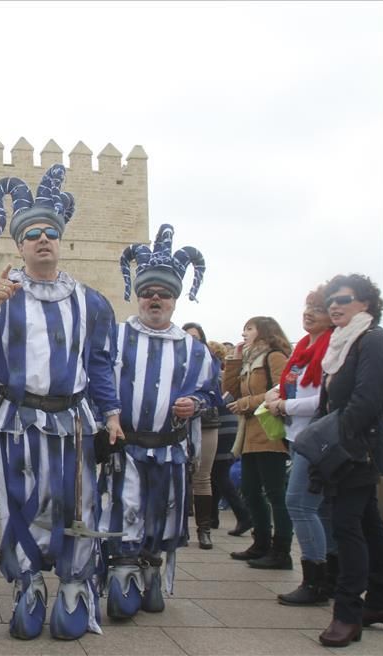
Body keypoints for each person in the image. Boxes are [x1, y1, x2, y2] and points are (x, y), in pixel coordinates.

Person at [0, 165, 123, 641]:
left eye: (50, 233)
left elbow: (100, 364)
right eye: (32, 234)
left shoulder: (91, 303)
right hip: (18, 418)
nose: (43, 239)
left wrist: (110, 414)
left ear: (61, 241)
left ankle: (73, 586)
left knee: (78, 501)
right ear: (20, 245)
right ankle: (28, 585)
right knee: (20, 502)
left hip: (73, 418)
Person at [100, 225, 220, 620]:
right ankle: (122, 575)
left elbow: (212, 393)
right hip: (128, 446)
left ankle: (152, 572)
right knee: (125, 507)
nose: (155, 299)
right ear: (138, 296)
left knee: (163, 511)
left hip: (169, 448)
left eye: (164, 294)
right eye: (148, 292)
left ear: (174, 299)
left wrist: (196, 404)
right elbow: (96, 382)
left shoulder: (196, 350)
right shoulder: (115, 338)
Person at [313, 274, 383, 647]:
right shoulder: (341, 343)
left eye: (343, 299)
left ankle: (346, 613)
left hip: (355, 452)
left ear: (366, 303)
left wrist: (332, 445)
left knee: (346, 527)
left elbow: (368, 400)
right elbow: (331, 402)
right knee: (370, 524)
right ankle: (379, 599)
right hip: (347, 448)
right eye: (330, 302)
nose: (334, 306)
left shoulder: (373, 340)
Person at [261, 287, 336, 606]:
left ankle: (315, 580)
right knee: (319, 509)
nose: (309, 313)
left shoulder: (333, 347)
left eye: (317, 308)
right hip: (299, 436)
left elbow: (325, 398)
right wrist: (275, 393)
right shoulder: (305, 346)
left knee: (300, 504)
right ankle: (330, 576)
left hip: (318, 439)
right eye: (307, 306)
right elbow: (294, 382)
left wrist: (284, 407)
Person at [225, 316, 292, 569]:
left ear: (264, 331)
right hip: (250, 434)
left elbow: (280, 389)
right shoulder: (249, 360)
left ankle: (281, 550)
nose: (244, 333)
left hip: (269, 433)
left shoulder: (274, 356)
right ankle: (261, 543)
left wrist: (246, 404)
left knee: (275, 492)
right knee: (251, 490)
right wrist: (233, 359)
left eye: (249, 328)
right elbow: (230, 389)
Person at [182, 322, 222, 550]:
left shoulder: (210, 363)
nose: (192, 342)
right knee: (178, 476)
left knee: (202, 476)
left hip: (204, 423)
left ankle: (204, 530)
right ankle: (180, 528)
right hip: (178, 423)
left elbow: (214, 394)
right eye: (187, 337)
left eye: (196, 338)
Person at [206, 341, 252, 536]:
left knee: (219, 474)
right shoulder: (219, 374)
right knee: (216, 473)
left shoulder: (214, 376)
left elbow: (218, 401)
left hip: (221, 429)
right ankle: (212, 517)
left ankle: (244, 516)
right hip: (227, 427)